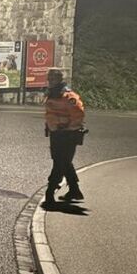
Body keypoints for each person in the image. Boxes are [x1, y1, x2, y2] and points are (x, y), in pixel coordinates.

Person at [43, 68, 86, 207]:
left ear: (59, 79)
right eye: (49, 78)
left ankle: (50, 192)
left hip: (67, 135)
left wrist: (67, 127)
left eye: (52, 79)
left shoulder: (68, 96)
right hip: (56, 133)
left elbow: (78, 114)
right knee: (64, 162)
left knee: (59, 163)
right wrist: (49, 126)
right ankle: (74, 190)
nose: (49, 81)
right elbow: (51, 113)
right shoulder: (53, 94)